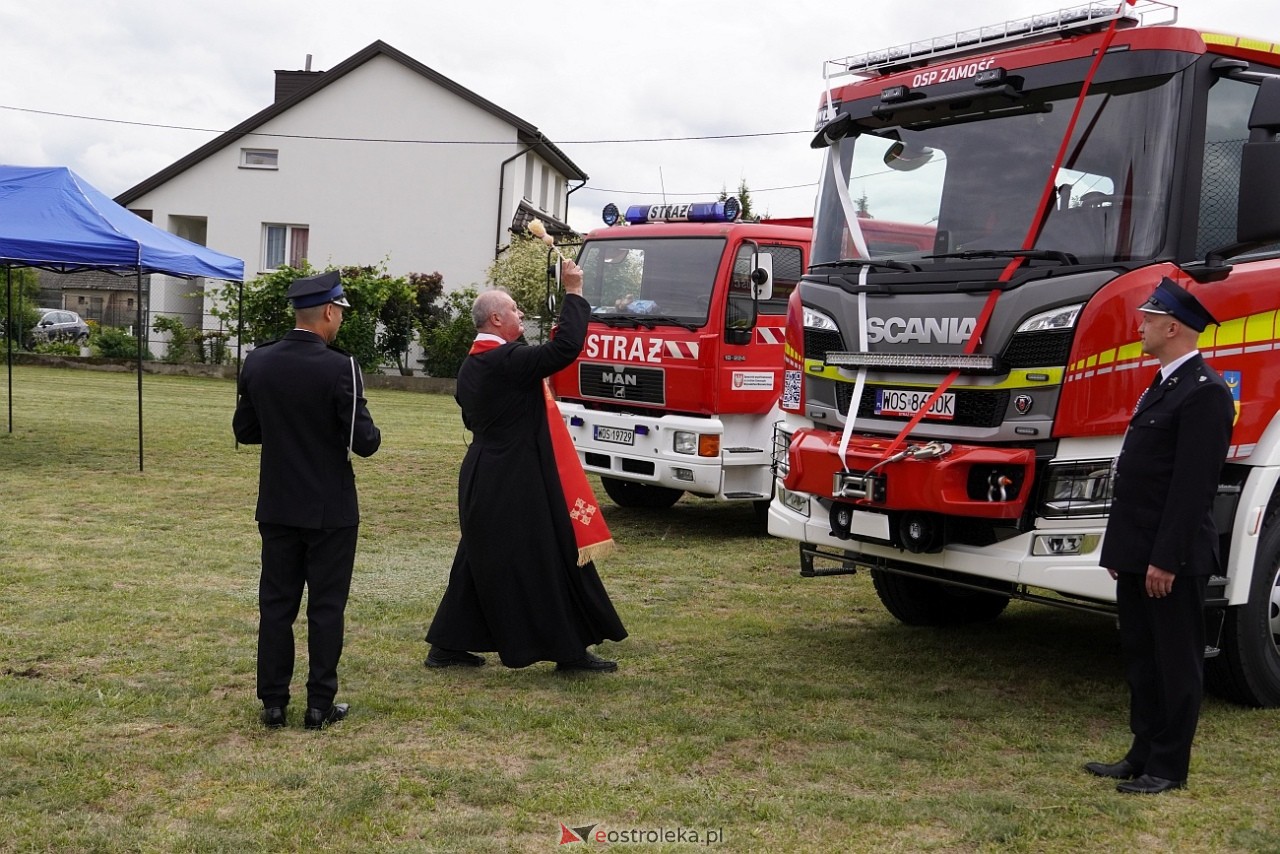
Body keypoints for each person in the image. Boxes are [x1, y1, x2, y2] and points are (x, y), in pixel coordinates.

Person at [425, 260, 627, 672]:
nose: (521, 314)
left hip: (485, 473)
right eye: (515, 309)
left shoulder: (473, 363)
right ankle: (569, 651)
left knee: (480, 558)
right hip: (514, 477)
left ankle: (447, 645)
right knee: (545, 556)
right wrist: (574, 291)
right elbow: (564, 349)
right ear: (496, 319)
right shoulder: (506, 360)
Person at [1085, 277, 1234, 794]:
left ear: (1173, 328)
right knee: (1142, 658)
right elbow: (1138, 474)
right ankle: (1142, 752)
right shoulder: (1164, 383)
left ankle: (1168, 767)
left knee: (1175, 662)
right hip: (1139, 550)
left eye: (1148, 320)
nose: (1140, 327)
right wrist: (1122, 550)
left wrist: (1166, 559)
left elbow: (1193, 488)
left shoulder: (1205, 393)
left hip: (1172, 558)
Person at [232, 270, 382, 730]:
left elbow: (245, 430)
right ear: (329, 312)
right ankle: (319, 705)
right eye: (340, 313)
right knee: (326, 606)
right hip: (330, 508)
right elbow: (365, 442)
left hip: (278, 502)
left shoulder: (258, 361)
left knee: (277, 605)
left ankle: (273, 702)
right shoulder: (341, 367)